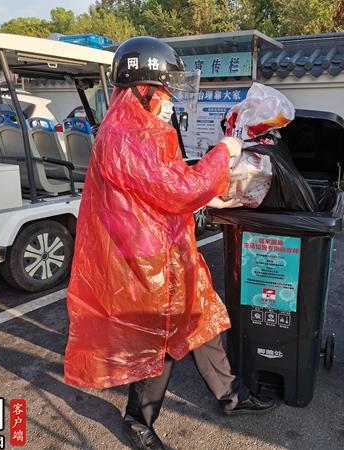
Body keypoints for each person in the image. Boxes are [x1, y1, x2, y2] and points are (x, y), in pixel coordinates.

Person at [63, 36, 276, 450]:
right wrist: (224, 151)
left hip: (168, 250)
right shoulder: (127, 134)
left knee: (201, 319)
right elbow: (178, 188)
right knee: (158, 339)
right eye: (165, 90)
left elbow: (164, 185)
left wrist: (210, 196)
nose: (170, 99)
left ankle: (231, 396)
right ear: (142, 89)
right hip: (145, 262)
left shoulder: (142, 130)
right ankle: (138, 421)